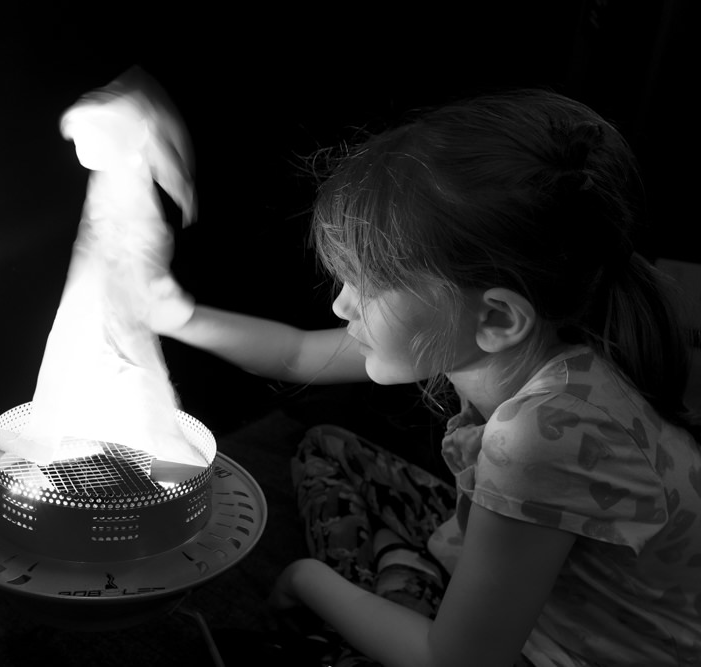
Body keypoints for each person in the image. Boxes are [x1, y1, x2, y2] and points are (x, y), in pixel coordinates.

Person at [147, 89, 701, 666]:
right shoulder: (539, 329)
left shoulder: (541, 437)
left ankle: (398, 585)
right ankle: (407, 577)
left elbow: (457, 662)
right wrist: (174, 314)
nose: (342, 305)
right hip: (529, 582)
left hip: (562, 651)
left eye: (370, 284)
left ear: (497, 317)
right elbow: (294, 355)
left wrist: (309, 579)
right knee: (327, 448)